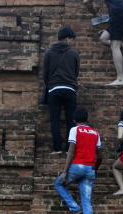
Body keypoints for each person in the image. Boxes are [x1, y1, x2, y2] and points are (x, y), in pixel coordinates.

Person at [54, 108, 103, 214]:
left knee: (59, 184)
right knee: (87, 201)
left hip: (77, 167)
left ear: (74, 120)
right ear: (87, 119)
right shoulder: (95, 133)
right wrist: (95, 169)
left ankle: (75, 207)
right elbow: (100, 156)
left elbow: (71, 151)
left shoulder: (75, 130)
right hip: (90, 170)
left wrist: (65, 171)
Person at [42, 27, 80, 155]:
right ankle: (70, 149)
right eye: (71, 40)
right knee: (71, 120)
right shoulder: (74, 53)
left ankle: (57, 149)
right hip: (70, 89)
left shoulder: (48, 53)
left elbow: (45, 73)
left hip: (54, 89)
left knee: (55, 120)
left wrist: (50, 85)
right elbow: (76, 72)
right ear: (67, 38)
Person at [83, 0, 123, 86]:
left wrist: (95, 13)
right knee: (104, 38)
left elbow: (86, 1)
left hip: (118, 14)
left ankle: (120, 79)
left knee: (115, 46)